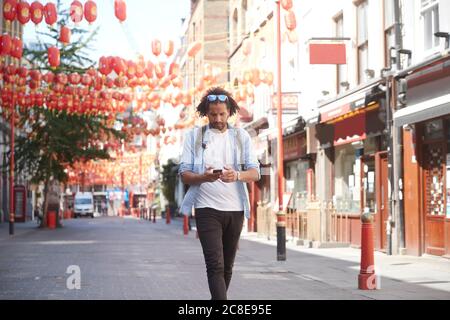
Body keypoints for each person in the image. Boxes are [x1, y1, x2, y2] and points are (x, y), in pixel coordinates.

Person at [179, 87, 260, 300]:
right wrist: (203, 177)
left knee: (227, 266)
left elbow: (255, 172)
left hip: (236, 210)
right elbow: (184, 175)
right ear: (206, 113)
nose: (217, 118)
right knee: (215, 264)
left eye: (222, 114)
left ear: (230, 111)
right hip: (207, 209)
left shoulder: (242, 137)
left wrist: (237, 176)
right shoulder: (193, 137)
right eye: (213, 114)